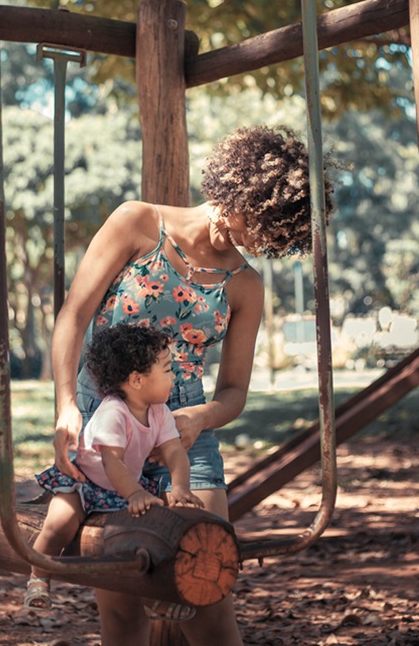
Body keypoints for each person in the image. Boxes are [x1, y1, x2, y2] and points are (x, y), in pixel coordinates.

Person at [51, 125, 335, 646]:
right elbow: (74, 315)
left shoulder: (245, 285)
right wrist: (67, 405)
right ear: (238, 187)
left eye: (272, 233)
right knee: (121, 610)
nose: (255, 238)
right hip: (108, 422)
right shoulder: (138, 222)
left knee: (208, 595)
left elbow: (233, 391)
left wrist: (199, 418)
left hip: (186, 433)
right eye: (257, 218)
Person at [24, 322, 203, 610]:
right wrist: (134, 494)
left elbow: (174, 452)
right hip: (86, 484)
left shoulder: (159, 412)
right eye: (168, 370)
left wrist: (181, 487)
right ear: (137, 380)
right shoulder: (113, 413)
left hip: (123, 487)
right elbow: (111, 462)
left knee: (152, 530)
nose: (175, 377)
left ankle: (155, 595)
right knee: (60, 523)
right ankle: (38, 577)